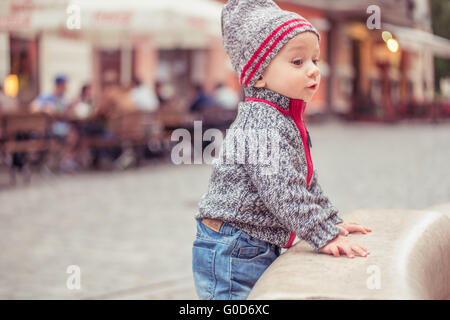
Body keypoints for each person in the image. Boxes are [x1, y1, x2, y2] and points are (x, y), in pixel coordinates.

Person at [192, 0, 372, 300]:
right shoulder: (261, 121)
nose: (314, 71)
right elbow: (282, 190)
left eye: (315, 60)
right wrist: (321, 233)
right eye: (298, 62)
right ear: (259, 75)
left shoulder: (282, 116)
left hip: (250, 243)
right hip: (232, 247)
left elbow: (304, 180)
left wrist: (329, 219)